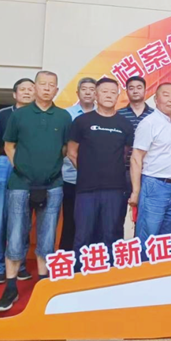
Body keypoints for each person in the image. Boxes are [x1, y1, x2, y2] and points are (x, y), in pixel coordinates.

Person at [0, 71, 72, 312]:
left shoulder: (63, 116)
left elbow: (65, 149)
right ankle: (10, 287)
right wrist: (22, 168)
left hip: (53, 185)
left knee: (47, 236)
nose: (47, 88)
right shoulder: (19, 115)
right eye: (43, 84)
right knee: (16, 233)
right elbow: (9, 145)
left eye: (52, 85)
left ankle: (43, 285)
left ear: (56, 90)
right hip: (20, 184)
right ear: (35, 87)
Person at [67, 77, 134, 262]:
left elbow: (124, 153)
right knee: (83, 235)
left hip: (115, 189)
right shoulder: (82, 121)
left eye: (113, 92)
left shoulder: (125, 124)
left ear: (118, 96)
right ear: (96, 95)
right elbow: (72, 152)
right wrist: (87, 171)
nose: (109, 95)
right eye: (104, 91)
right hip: (86, 189)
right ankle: (81, 274)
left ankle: (109, 274)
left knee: (112, 234)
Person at [129, 83, 171, 261]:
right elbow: (136, 157)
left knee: (165, 240)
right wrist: (136, 191)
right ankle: (141, 273)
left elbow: (165, 152)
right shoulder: (149, 123)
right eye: (166, 95)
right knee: (147, 238)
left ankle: (160, 275)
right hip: (154, 185)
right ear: (156, 99)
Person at [0, 78, 34, 285]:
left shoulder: (38, 116)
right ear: (15, 94)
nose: (27, 92)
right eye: (23, 89)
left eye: (31, 89)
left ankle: (19, 265)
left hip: (29, 166)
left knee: (23, 219)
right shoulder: (3, 114)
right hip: (4, 165)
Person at [60, 77, 96, 252]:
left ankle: (90, 259)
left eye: (92, 89)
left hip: (97, 181)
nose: (88, 92)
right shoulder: (66, 115)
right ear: (78, 92)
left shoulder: (104, 114)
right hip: (71, 178)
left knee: (93, 222)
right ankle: (67, 260)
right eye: (84, 89)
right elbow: (63, 146)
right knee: (70, 221)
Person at [118, 76, 154, 227]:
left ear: (145, 90)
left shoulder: (154, 115)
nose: (135, 91)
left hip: (148, 171)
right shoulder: (118, 115)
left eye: (139, 87)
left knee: (146, 216)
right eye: (131, 88)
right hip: (122, 171)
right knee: (117, 213)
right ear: (126, 91)